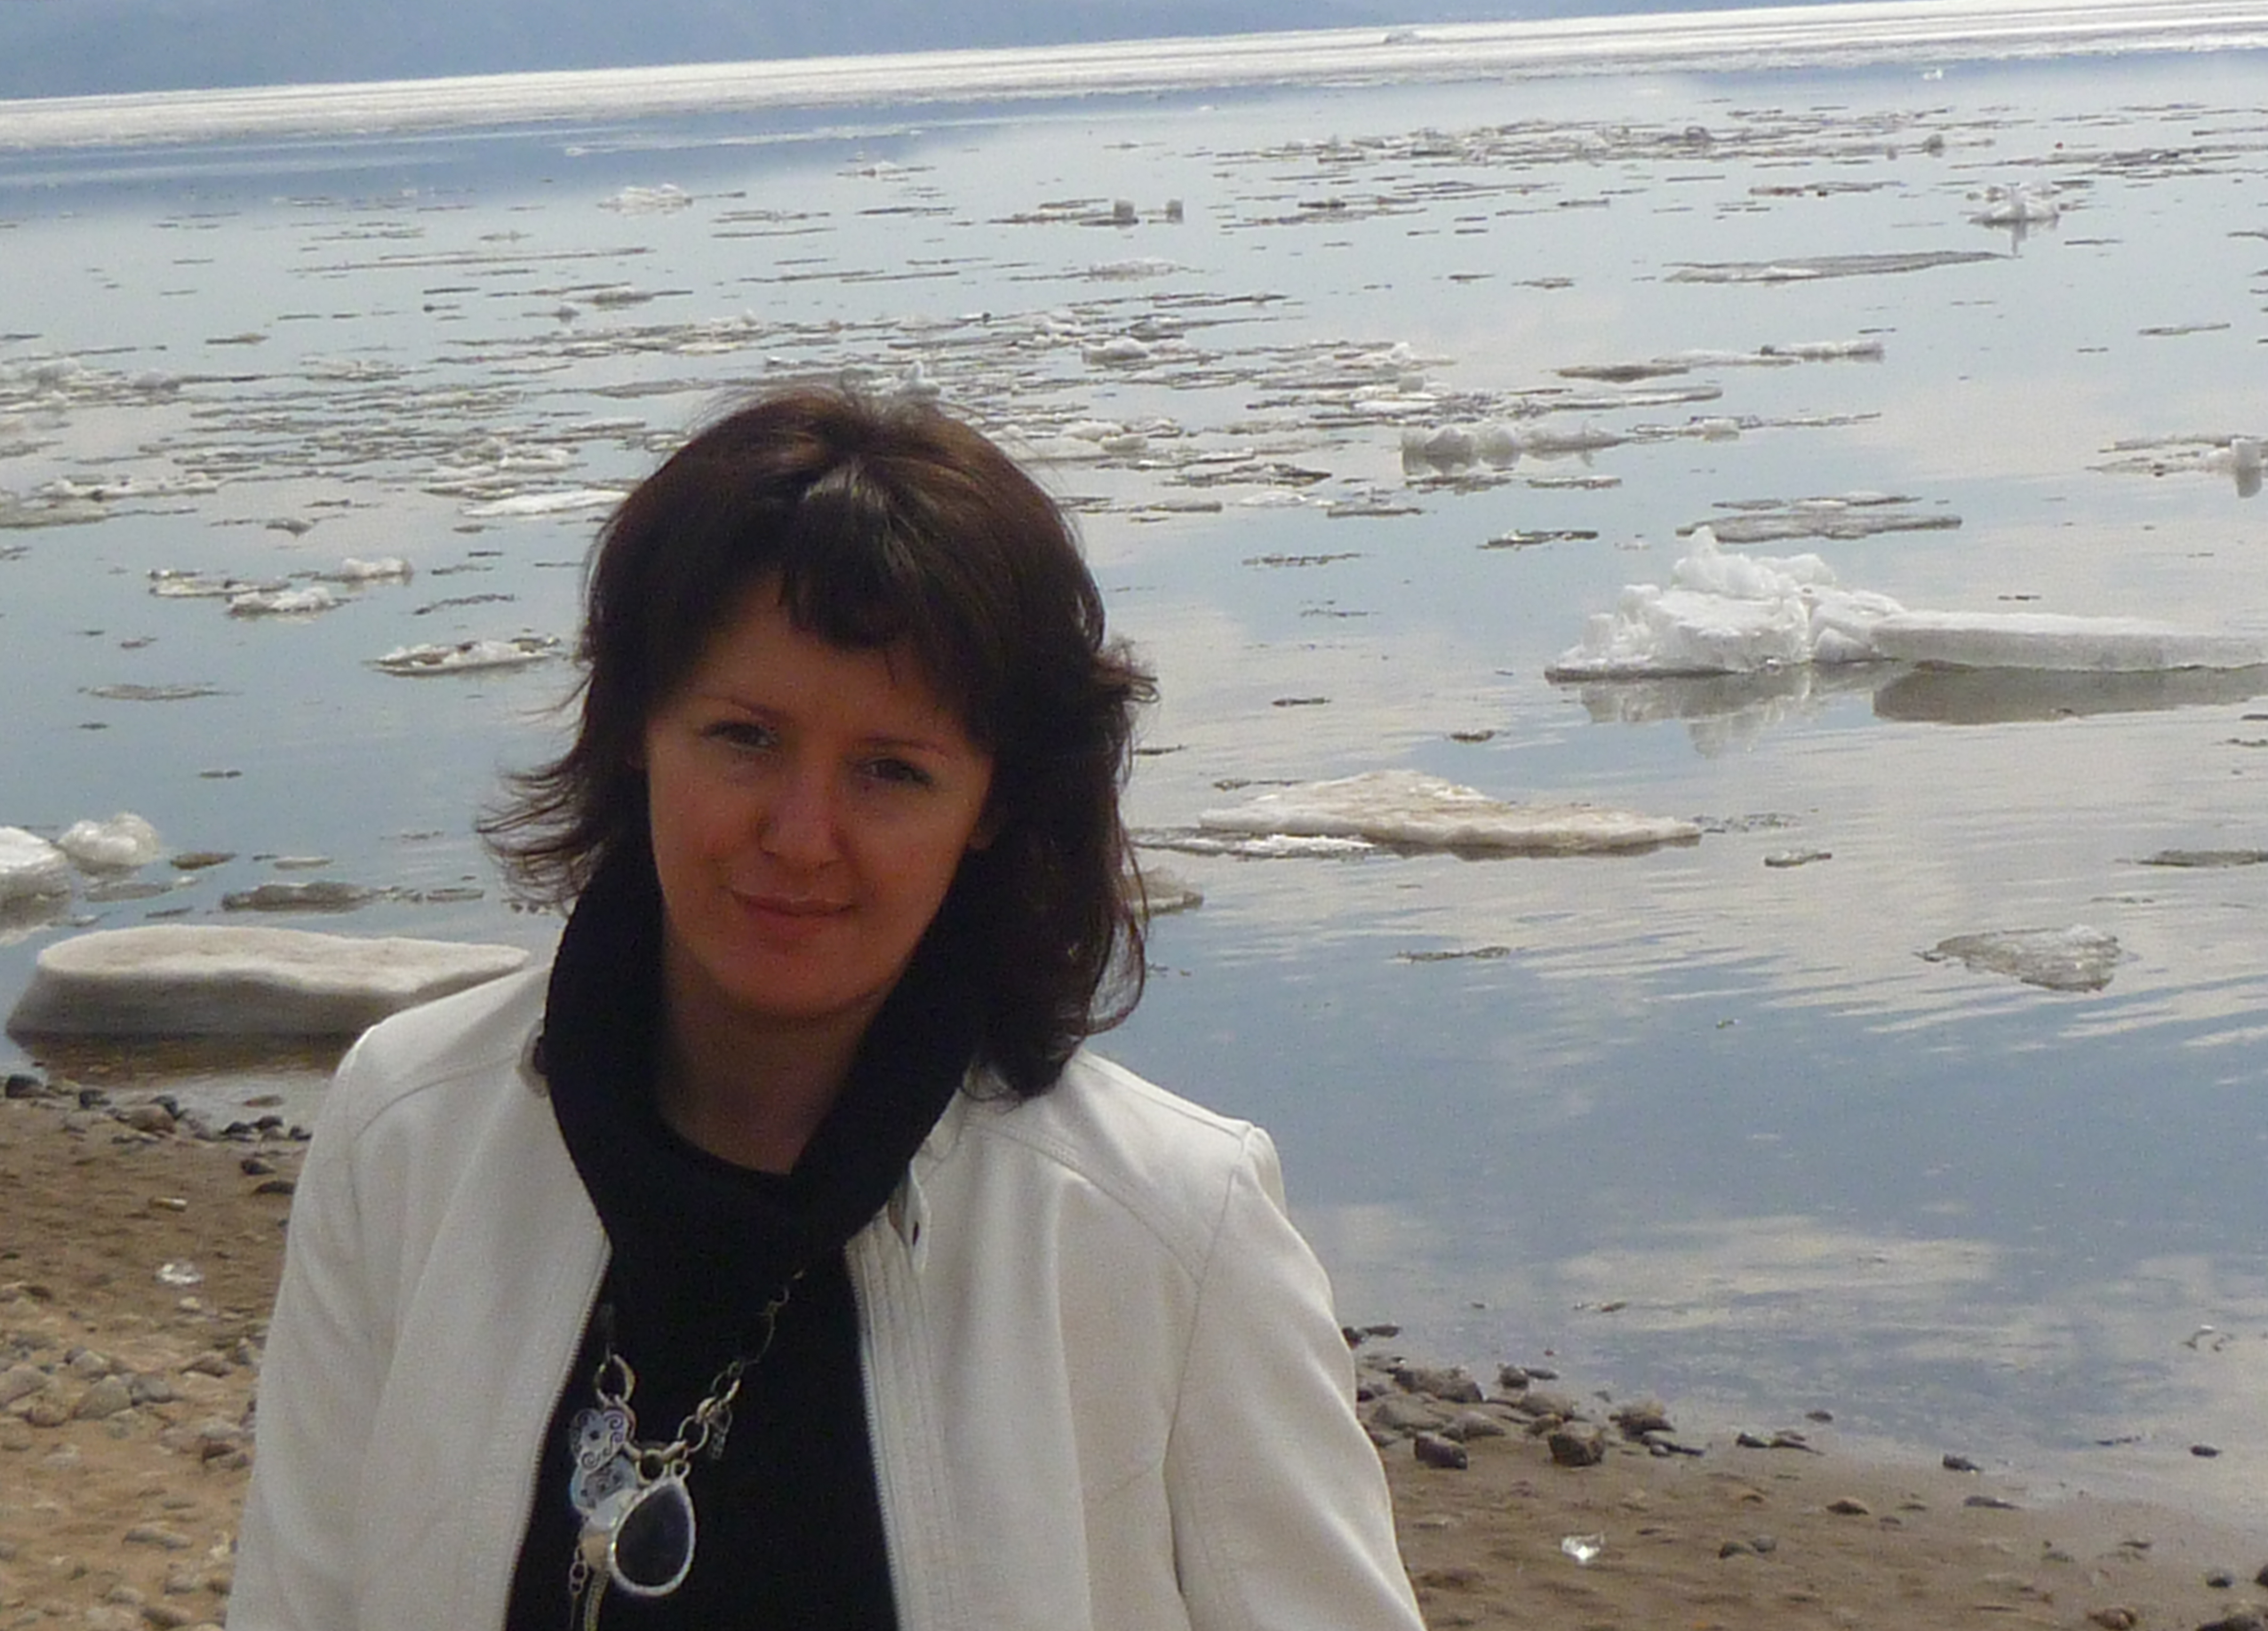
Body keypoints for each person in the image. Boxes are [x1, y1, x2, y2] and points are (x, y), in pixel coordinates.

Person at [228, 384, 1427, 1630]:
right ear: (637, 725)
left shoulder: (1166, 1227)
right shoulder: (409, 1132)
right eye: (746, 738)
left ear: (994, 806)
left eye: (890, 770)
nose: (802, 837)